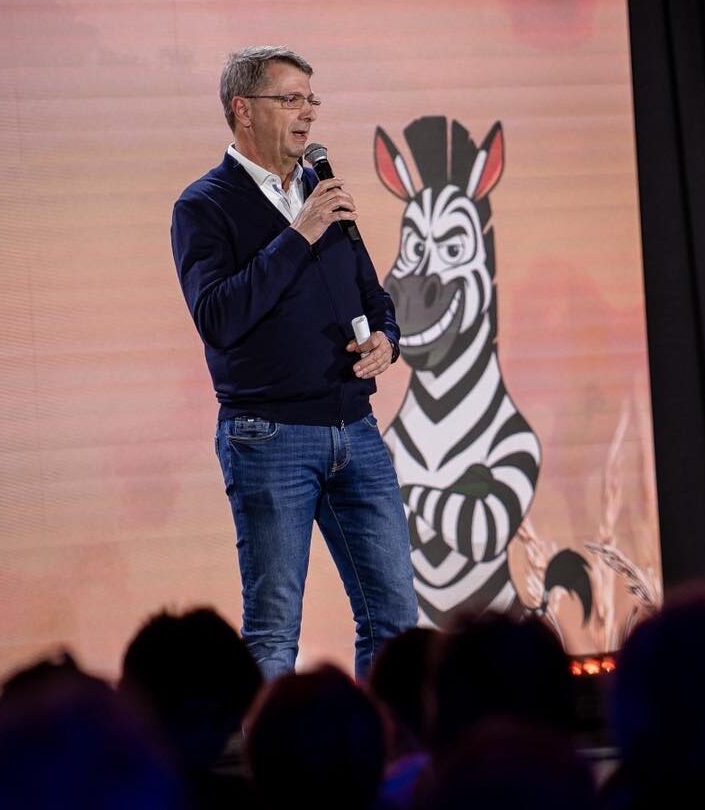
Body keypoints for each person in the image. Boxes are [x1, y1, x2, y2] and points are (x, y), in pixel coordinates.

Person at [171, 45, 416, 680]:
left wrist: (387, 339)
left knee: (395, 621)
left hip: (355, 429)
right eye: (291, 99)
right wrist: (299, 233)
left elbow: (371, 293)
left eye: (312, 100)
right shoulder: (204, 206)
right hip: (269, 435)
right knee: (273, 632)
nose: (308, 113)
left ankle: (387, 743)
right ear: (243, 109)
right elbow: (218, 316)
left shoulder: (320, 191)